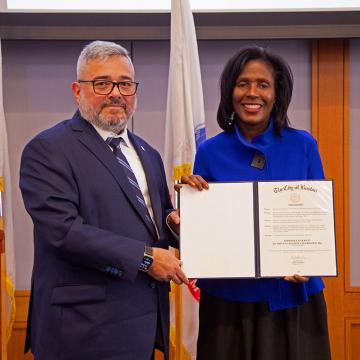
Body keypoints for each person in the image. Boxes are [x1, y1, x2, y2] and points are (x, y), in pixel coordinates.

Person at [19, 40, 187, 360]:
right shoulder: (47, 150)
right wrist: (148, 258)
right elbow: (64, 232)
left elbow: (152, 217)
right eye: (102, 83)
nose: (115, 93)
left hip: (142, 324)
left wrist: (172, 221)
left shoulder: (148, 153)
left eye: (125, 83)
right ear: (76, 90)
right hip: (81, 332)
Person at [180, 46, 331, 360]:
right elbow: (205, 232)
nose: (252, 93)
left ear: (277, 94)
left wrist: (308, 260)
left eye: (263, 84)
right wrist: (190, 202)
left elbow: (317, 218)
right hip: (227, 304)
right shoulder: (209, 152)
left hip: (293, 299)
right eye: (242, 83)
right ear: (230, 92)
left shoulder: (303, 144)